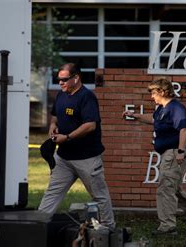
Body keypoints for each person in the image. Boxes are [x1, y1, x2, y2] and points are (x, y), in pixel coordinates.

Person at [123, 78, 186, 235]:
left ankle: (168, 226)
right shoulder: (161, 109)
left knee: (165, 188)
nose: (152, 97)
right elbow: (153, 119)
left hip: (175, 151)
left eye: (153, 93)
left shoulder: (176, 108)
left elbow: (184, 129)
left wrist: (180, 151)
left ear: (163, 92)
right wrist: (134, 115)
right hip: (169, 152)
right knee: (173, 188)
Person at [38, 63, 115, 229]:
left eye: (64, 79)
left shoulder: (87, 97)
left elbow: (90, 125)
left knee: (100, 196)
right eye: (58, 80)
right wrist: (52, 126)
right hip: (64, 158)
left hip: (87, 158)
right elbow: (54, 116)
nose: (60, 83)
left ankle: (109, 230)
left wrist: (66, 137)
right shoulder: (61, 95)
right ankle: (37, 226)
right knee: (52, 193)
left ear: (76, 78)